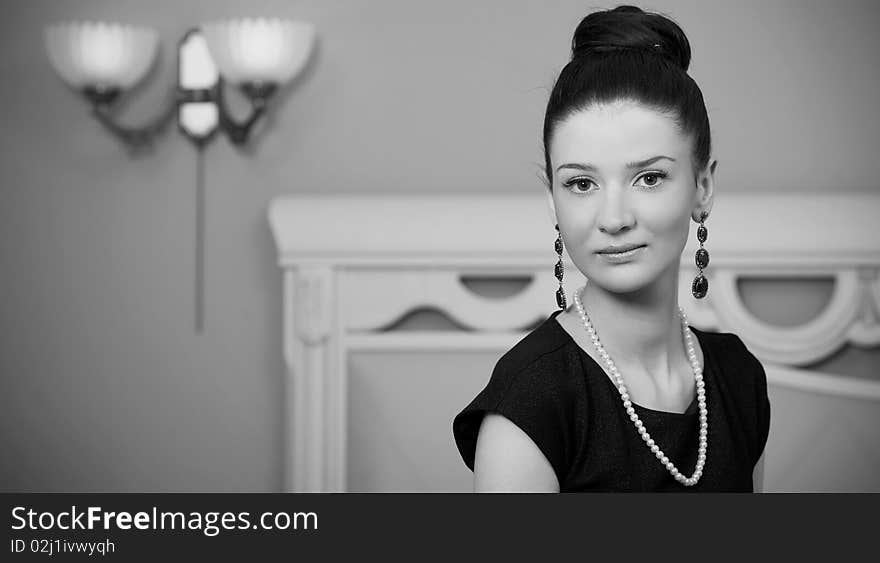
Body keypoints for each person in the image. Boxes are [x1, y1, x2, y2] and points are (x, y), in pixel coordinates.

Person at [452, 5, 770, 492]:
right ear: (552, 199)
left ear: (702, 187)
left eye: (649, 178)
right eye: (581, 183)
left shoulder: (738, 379)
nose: (614, 218)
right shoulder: (532, 404)